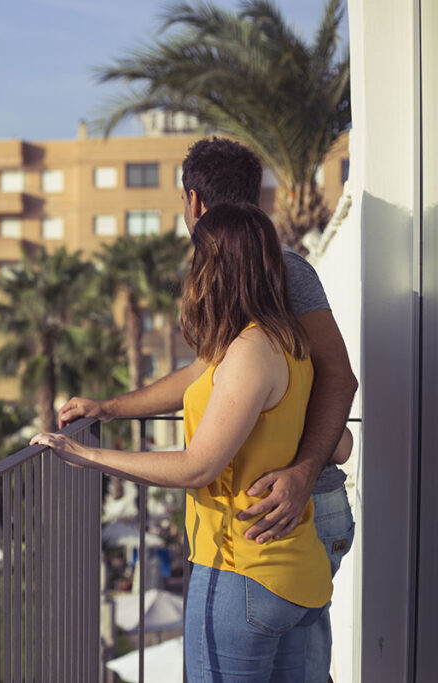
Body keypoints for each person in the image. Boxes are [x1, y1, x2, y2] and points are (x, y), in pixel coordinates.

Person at [58, 138, 356, 680]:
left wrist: (304, 469)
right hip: (288, 545)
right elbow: (206, 376)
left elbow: (337, 378)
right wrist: (110, 408)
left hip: (266, 536)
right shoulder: (267, 326)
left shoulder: (273, 293)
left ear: (193, 203)